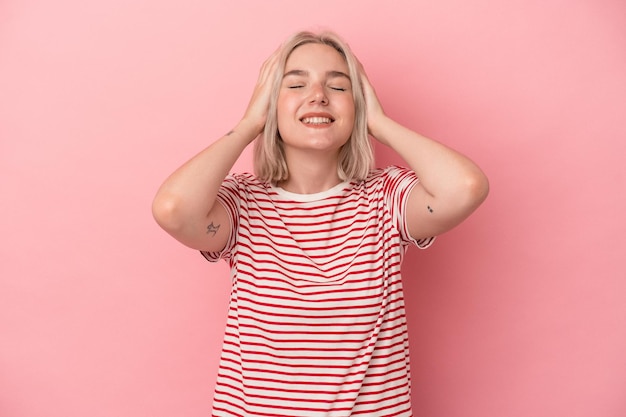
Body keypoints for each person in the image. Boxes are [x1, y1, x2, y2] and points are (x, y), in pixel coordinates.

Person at [152, 30, 489, 417]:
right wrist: (247, 125)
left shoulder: (387, 197)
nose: (318, 95)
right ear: (269, 107)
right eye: (296, 84)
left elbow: (465, 187)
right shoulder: (241, 204)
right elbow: (173, 208)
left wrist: (378, 121)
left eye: (338, 87)